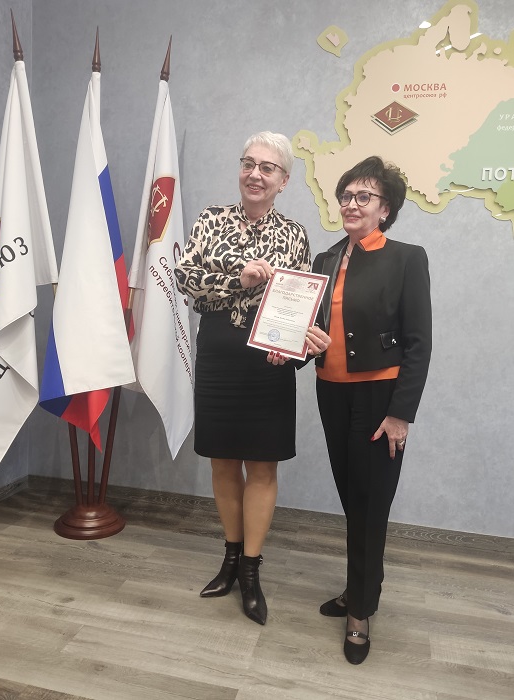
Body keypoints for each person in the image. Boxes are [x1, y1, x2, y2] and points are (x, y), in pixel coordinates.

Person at [174, 131, 328, 625]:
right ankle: (230, 556)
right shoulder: (210, 220)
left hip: (268, 365)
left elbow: (302, 305)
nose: (255, 174)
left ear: (284, 181)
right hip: (219, 357)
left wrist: (294, 348)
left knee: (262, 466)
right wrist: (235, 280)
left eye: (267, 168)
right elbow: (184, 279)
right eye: (248, 163)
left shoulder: (295, 234)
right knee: (223, 462)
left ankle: (251, 571)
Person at [312, 156, 432, 664]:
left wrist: (401, 412)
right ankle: (362, 589)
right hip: (331, 394)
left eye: (364, 197)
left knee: (370, 505)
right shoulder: (324, 259)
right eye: (346, 195)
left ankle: (359, 612)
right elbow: (311, 330)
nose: (352, 204)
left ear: (385, 209)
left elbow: (419, 343)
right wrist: (292, 347)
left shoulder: (406, 258)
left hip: (379, 400)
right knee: (354, 501)